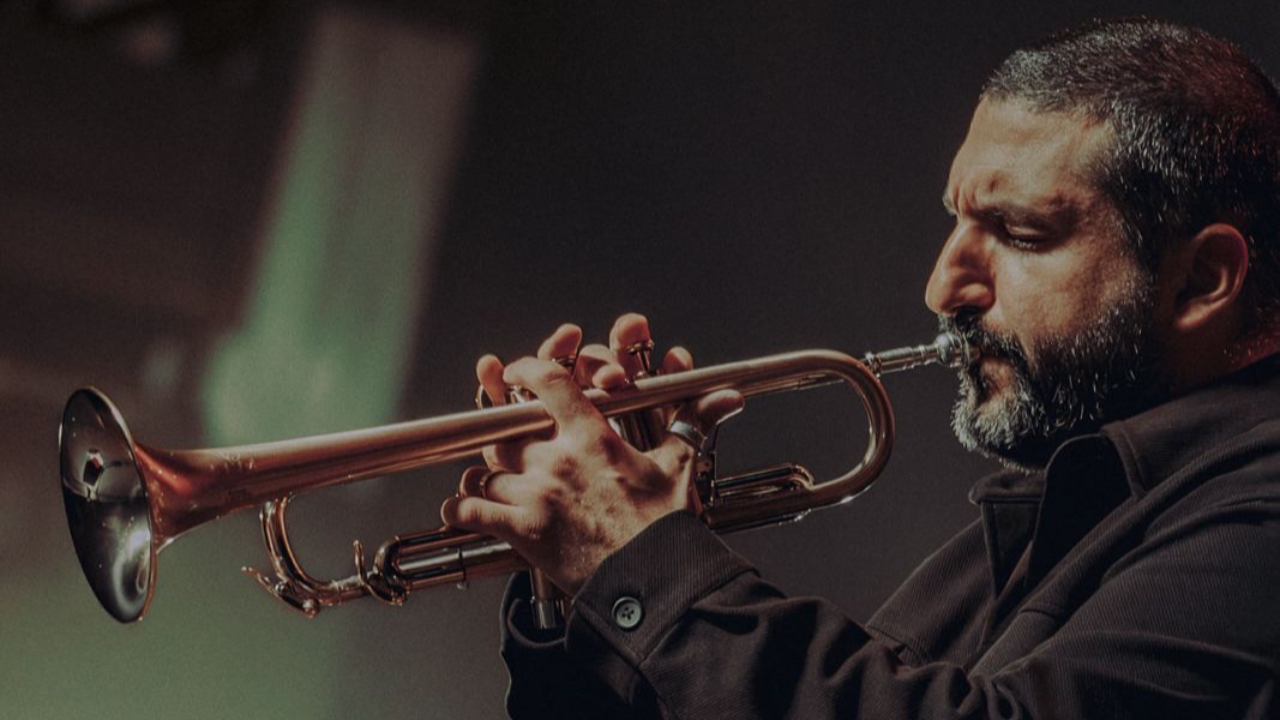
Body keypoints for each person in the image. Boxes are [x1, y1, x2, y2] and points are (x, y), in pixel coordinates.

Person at [441, 17, 1280, 719]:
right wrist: (582, 587)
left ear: (1201, 280)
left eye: (1020, 234)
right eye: (956, 224)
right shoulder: (1038, 527)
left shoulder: (1259, 516)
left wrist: (645, 561)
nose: (942, 284)